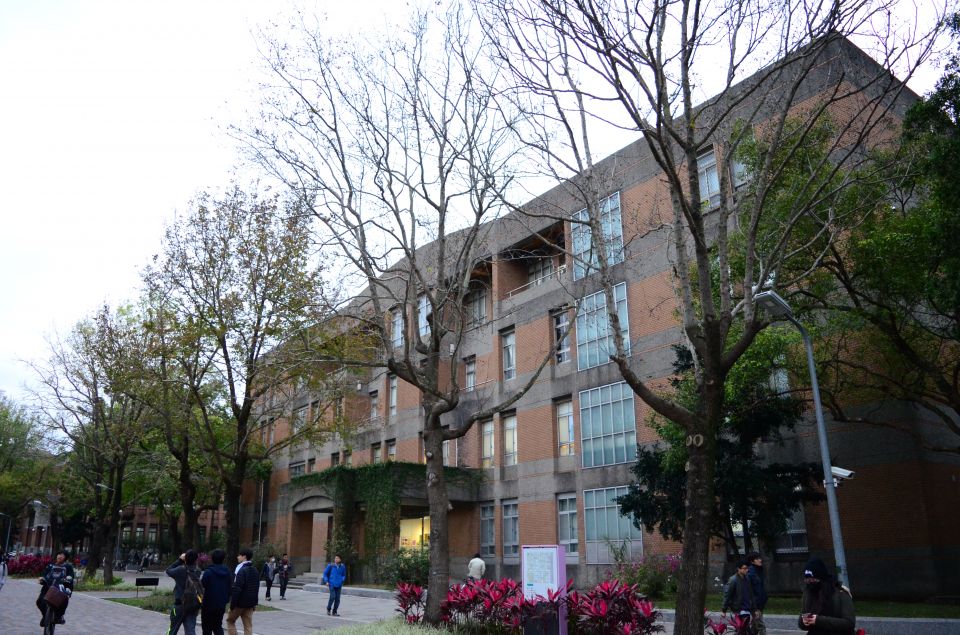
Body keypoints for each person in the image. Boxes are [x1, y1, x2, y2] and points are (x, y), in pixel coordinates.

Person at [799, 558, 856, 634]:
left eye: (813, 580)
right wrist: (804, 621)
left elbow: (849, 623)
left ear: (822, 578)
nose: (810, 583)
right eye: (807, 580)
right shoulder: (808, 593)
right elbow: (801, 621)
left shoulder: (840, 593)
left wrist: (818, 620)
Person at [166, 549, 203, 635]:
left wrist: (179, 560)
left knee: (172, 629)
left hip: (179, 605)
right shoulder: (198, 570)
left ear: (185, 558)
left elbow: (168, 570)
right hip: (193, 605)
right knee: (190, 631)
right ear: (196, 559)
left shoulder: (180, 570)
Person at [36, 550, 75, 627]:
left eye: (62, 555)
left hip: (61, 588)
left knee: (63, 600)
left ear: (65, 557)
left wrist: (68, 578)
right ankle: (45, 616)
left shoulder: (68, 567)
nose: (59, 556)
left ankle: (59, 616)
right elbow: (44, 574)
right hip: (48, 587)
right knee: (40, 602)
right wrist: (42, 579)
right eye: (59, 554)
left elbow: (71, 576)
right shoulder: (50, 565)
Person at [227, 547, 258, 635]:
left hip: (240, 603)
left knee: (230, 621)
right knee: (248, 625)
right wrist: (255, 603)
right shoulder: (255, 570)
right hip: (250, 603)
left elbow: (237, 589)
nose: (237, 557)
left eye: (239, 555)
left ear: (244, 556)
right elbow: (256, 588)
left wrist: (232, 605)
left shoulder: (240, 570)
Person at [721, 558, 760, 628]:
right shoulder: (733, 580)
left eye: (747, 568)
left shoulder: (747, 579)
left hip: (747, 609)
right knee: (741, 630)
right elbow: (727, 595)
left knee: (747, 630)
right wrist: (724, 610)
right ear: (738, 569)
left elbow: (751, 595)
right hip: (738, 610)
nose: (746, 570)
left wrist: (755, 609)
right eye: (744, 568)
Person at [200, 548, 231, 635]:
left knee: (207, 627)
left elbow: (203, 585)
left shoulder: (208, 572)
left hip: (208, 604)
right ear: (223, 559)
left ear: (212, 559)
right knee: (217, 626)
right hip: (221, 604)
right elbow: (230, 586)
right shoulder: (228, 572)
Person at [747, 552, 769, 635]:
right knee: (761, 626)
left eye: (760, 558)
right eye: (757, 559)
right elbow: (750, 592)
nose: (760, 560)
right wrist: (755, 608)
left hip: (760, 603)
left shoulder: (759, 570)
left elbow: (760, 588)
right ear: (752, 562)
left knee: (755, 627)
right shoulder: (750, 574)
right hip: (755, 605)